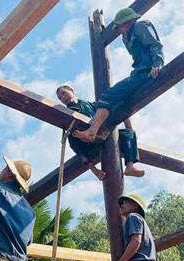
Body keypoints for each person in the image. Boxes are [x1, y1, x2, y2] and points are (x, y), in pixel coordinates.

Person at [73, 7, 163, 143]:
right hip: (139, 72)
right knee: (118, 103)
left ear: (126, 23)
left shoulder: (140, 26)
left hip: (146, 72)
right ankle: (111, 133)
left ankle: (92, 131)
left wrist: (157, 64)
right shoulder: (127, 37)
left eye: (119, 27)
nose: (119, 31)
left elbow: (155, 45)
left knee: (107, 96)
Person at [56, 85, 144, 179]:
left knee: (129, 133)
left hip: (103, 135)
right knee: (72, 138)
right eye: (60, 98)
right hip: (88, 144)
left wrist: (130, 130)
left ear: (71, 90)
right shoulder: (67, 112)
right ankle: (94, 170)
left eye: (64, 93)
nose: (63, 98)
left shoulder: (89, 105)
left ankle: (130, 167)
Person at [113, 193, 155, 261]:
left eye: (125, 202)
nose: (122, 205)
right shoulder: (141, 222)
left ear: (135, 206)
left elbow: (136, 240)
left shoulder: (133, 217)